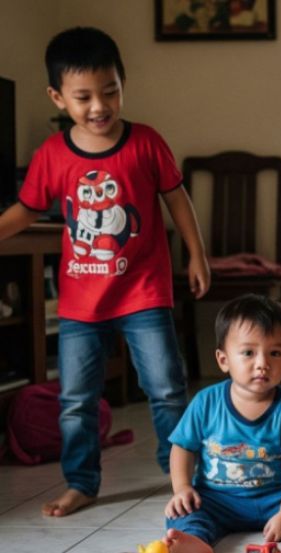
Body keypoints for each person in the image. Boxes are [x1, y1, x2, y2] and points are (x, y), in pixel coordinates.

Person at [0, 27, 210, 517]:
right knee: (75, 399)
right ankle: (83, 483)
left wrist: (196, 255)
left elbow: (176, 198)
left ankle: (182, 478)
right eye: (84, 96)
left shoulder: (146, 143)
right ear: (58, 97)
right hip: (80, 303)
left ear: (123, 83)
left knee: (166, 388)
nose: (100, 105)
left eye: (110, 90)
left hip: (144, 292)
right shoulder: (52, 155)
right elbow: (28, 209)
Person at [160, 294, 281, 553]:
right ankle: (195, 543)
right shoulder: (206, 402)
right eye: (249, 353)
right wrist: (182, 488)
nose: (263, 363)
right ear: (223, 360)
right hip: (217, 500)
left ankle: (277, 537)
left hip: (275, 499)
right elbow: (183, 447)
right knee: (182, 512)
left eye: (275, 353)